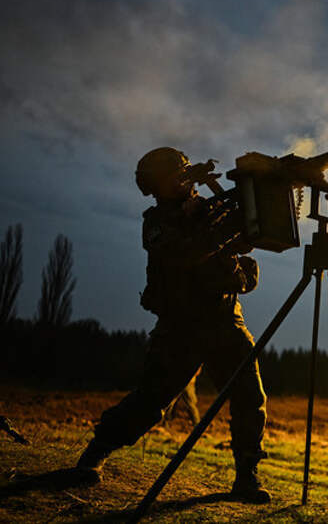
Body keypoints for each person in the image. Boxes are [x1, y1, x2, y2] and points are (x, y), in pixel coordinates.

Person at [75, 147, 270, 503]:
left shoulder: (209, 210)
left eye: (184, 174)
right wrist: (223, 227)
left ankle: (247, 475)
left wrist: (249, 213)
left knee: (249, 396)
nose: (183, 182)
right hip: (181, 326)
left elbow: (245, 245)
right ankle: (95, 453)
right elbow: (188, 253)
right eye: (174, 177)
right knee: (151, 402)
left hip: (224, 318)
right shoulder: (157, 224)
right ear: (155, 187)